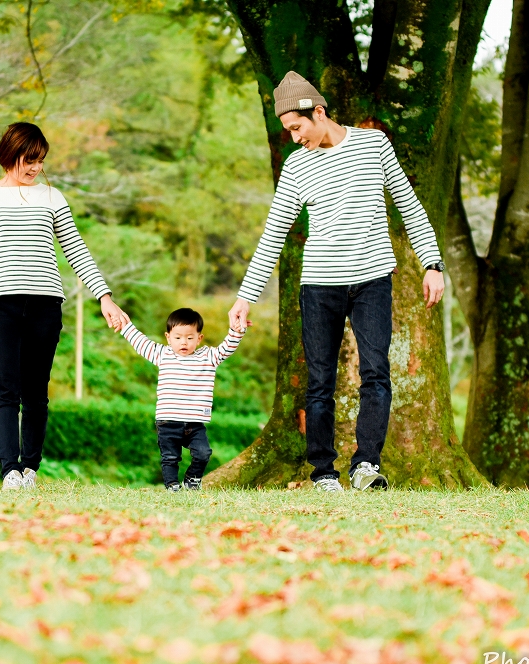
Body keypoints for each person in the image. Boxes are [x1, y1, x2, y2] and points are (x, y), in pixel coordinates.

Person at [227, 72, 445, 493]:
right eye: (288, 130)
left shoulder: (373, 145)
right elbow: (274, 233)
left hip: (372, 281)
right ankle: (324, 473)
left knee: (376, 372)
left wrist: (432, 263)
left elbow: (409, 205)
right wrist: (245, 298)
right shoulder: (296, 166)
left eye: (297, 127)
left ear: (319, 112)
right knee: (320, 382)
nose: (293, 138)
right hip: (320, 285)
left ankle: (366, 465)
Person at [0, 122, 126, 491]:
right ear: (10, 154)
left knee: (36, 392)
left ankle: (30, 468)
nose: (35, 168)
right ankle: (9, 470)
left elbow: (76, 250)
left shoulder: (52, 197)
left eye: (40, 161)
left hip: (45, 304)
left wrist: (104, 297)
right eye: (29, 160)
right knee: (5, 390)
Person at [118, 308, 247, 491]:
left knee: (203, 453)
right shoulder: (163, 354)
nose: (183, 342)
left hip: (195, 423)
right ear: (168, 337)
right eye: (177, 338)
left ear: (199, 338)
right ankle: (172, 486)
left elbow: (227, 348)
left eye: (189, 337)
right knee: (170, 457)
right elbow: (141, 342)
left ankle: (192, 478)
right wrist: (125, 325)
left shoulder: (208, 357)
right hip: (168, 421)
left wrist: (237, 331)